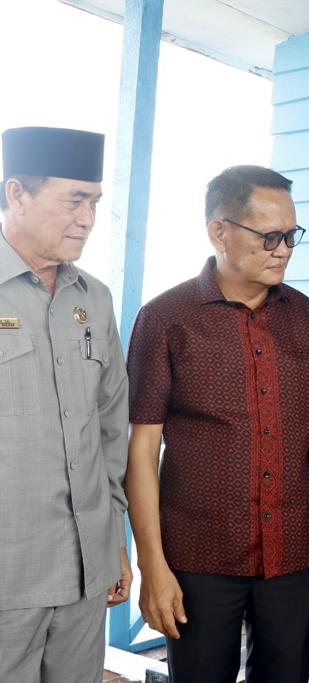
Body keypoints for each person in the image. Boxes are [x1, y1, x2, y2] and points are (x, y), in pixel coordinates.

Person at [125, 165, 309, 683]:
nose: (284, 250)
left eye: (291, 235)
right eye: (269, 236)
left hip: (295, 550)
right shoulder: (166, 318)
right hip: (199, 554)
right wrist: (151, 565)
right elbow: (141, 451)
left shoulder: (308, 317)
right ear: (219, 231)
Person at [0, 126, 131, 683]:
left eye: (95, 202)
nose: (88, 218)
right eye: (74, 200)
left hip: (84, 572)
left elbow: (111, 428)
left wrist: (113, 541)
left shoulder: (94, 299)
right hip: (10, 572)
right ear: (17, 194)